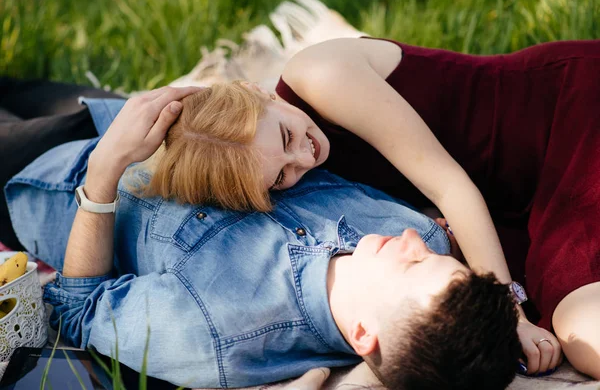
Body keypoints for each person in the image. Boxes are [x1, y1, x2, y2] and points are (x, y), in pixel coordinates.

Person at [119, 37, 600, 378]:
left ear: (258, 93)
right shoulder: (277, 175)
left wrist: (510, 310)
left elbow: (451, 186)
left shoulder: (322, 74)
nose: (303, 158)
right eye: (281, 175)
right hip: (511, 208)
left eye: (286, 136)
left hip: (564, 125)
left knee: (578, 329)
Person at [2, 83, 521, 389]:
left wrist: (106, 165)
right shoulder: (415, 236)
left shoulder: (221, 329)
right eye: (433, 255)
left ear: (365, 334)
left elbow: (79, 311)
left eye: (412, 262)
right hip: (132, 111)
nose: (414, 237)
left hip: (47, 179)